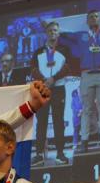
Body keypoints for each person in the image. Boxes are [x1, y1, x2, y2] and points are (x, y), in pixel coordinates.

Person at [31, 21, 72, 166]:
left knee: (58, 121)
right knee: (41, 121)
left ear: (58, 33)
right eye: (50, 31)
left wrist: (54, 79)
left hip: (58, 88)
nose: (53, 33)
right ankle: (39, 155)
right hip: (42, 89)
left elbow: (68, 68)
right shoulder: (38, 52)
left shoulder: (65, 49)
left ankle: (60, 153)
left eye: (55, 30)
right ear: (46, 33)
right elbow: (33, 70)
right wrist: (45, 81)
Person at [73, 11, 100, 153]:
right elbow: (62, 33)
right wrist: (47, 24)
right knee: (86, 110)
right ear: (87, 20)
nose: (94, 18)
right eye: (91, 17)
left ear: (99, 19)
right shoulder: (80, 35)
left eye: (96, 16)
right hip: (86, 75)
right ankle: (84, 141)